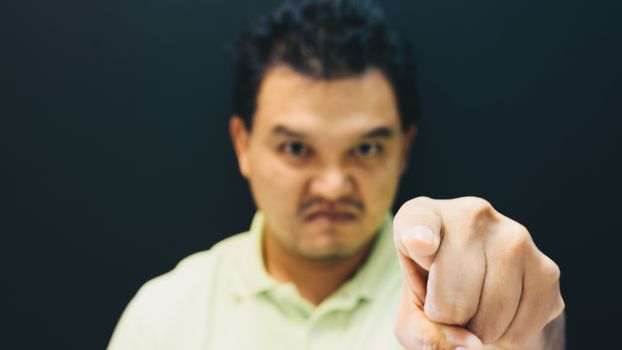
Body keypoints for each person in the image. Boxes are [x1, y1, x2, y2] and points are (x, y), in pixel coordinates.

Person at [108, 0, 565, 349]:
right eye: (296, 149)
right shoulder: (166, 316)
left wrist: (520, 319)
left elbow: (531, 334)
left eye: (365, 148)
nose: (332, 184)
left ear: (404, 148)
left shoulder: (458, 304)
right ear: (242, 144)